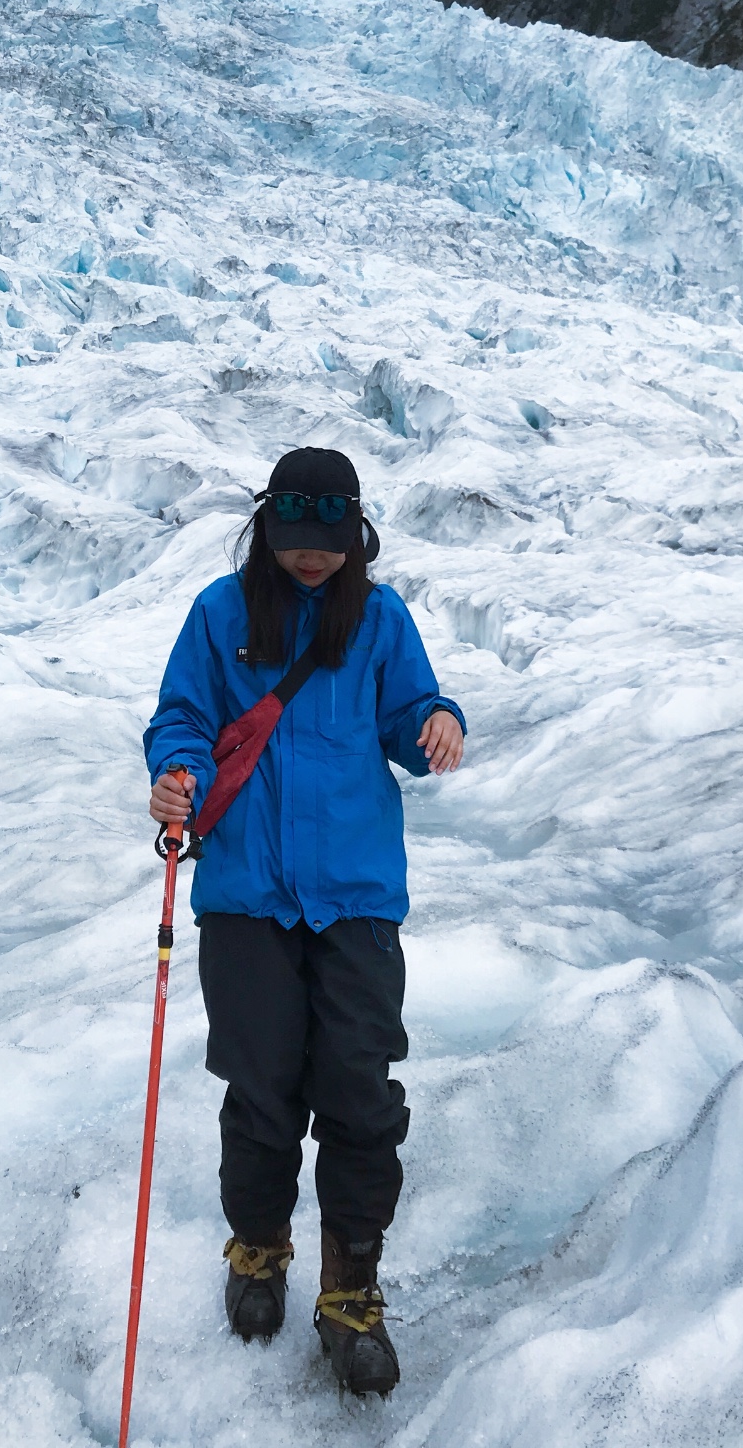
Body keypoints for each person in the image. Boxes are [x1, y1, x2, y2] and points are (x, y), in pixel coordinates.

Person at [143, 445, 465, 1396]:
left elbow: (410, 717)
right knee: (263, 1086)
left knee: (360, 1095)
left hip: (356, 897)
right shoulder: (220, 614)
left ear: (354, 535)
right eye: (297, 540)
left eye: (331, 542)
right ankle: (258, 1248)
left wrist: (436, 720)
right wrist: (177, 774)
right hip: (245, 895)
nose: (313, 559)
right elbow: (181, 719)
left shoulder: (381, 618)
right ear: (269, 529)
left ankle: (351, 1291)